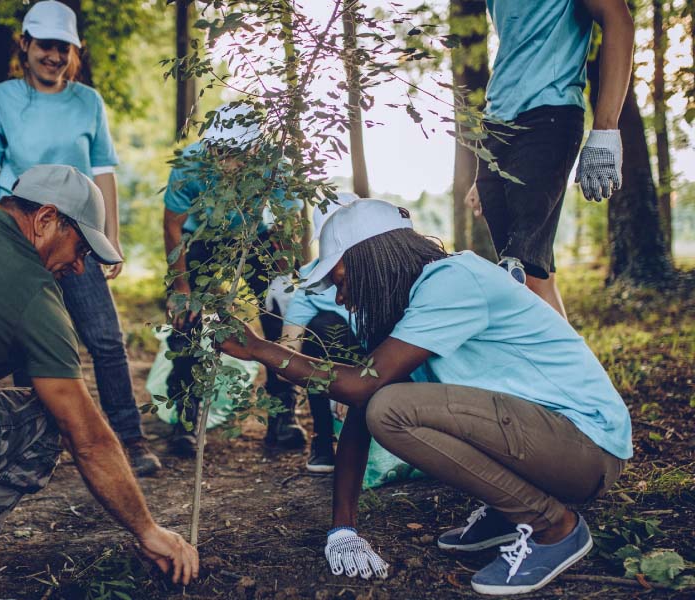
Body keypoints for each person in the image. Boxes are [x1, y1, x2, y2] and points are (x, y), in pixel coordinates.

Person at [219, 199, 632, 595]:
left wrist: (260, 349)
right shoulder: (410, 310)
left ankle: (553, 527)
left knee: (392, 410)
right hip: (545, 445)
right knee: (383, 405)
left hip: (585, 449)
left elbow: (363, 387)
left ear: (372, 259)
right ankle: (509, 509)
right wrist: (342, 528)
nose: (340, 299)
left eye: (340, 282)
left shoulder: (453, 280)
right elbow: (361, 406)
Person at [0, 165, 198, 600]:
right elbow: (87, 438)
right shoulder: (34, 293)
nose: (79, 268)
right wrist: (147, 529)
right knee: (41, 421)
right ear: (45, 220)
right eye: (81, 249)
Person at [0, 0, 161, 476]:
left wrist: (109, 241)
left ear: (75, 52)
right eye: (46, 46)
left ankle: (129, 438)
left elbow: (105, 174)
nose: (54, 56)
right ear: (26, 45)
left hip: (80, 235)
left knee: (105, 339)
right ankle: (33, 441)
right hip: (25, 236)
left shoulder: (88, 101)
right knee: (21, 342)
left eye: (64, 49)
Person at [468, 0, 634, 318]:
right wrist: (492, 165)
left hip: (549, 116)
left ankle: (563, 367)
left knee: (519, 272)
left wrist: (605, 129)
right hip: (496, 125)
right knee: (536, 278)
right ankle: (575, 369)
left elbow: (618, 19)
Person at [163, 102, 306, 455]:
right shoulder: (190, 164)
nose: (224, 161)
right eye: (219, 150)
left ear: (256, 148)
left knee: (279, 316)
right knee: (189, 319)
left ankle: (283, 415)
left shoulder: (276, 166)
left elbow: (292, 225)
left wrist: (284, 272)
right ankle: (186, 416)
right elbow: (172, 224)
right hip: (201, 238)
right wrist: (181, 286)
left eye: (234, 153)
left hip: (256, 237)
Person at [281, 193, 359, 473]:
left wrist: (358, 386)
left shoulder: (383, 269)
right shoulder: (309, 279)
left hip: (379, 361)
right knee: (322, 326)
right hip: (332, 361)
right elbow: (289, 347)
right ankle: (323, 439)